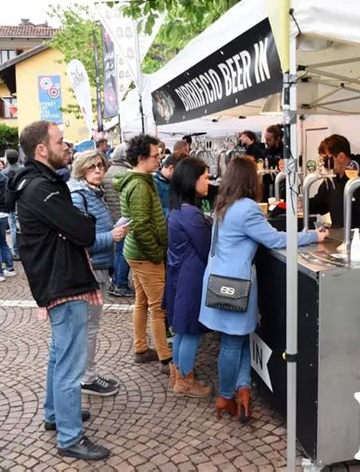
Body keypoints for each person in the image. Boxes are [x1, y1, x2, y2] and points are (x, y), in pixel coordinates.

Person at [6, 120, 110, 461]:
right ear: (41, 149)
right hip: (62, 282)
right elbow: (84, 231)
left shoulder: (40, 183)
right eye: (61, 141)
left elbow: (76, 229)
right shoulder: (40, 188)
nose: (68, 147)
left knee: (58, 356)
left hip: (59, 279)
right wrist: (82, 225)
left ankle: (56, 416)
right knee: (69, 364)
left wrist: (77, 226)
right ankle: (70, 437)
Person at [199, 156, 328, 422]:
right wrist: (314, 236)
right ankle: (225, 396)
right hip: (236, 285)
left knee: (240, 337)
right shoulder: (247, 208)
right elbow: (275, 238)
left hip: (219, 280)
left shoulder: (224, 203)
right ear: (250, 179)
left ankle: (242, 389)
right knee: (233, 343)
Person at [68, 150, 128, 397]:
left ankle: (87, 374)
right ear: (81, 168)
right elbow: (80, 238)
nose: (98, 171)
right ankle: (86, 378)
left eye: (101, 166)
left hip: (99, 265)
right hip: (90, 268)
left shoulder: (93, 193)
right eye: (92, 166)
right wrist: (111, 237)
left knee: (89, 326)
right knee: (87, 327)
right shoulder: (79, 195)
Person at [114, 134, 172, 373]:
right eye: (155, 156)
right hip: (144, 254)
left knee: (142, 302)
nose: (159, 159)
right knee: (159, 307)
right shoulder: (139, 185)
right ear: (141, 158)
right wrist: (157, 252)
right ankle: (166, 359)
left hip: (136, 252)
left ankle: (141, 348)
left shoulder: (141, 180)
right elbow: (140, 225)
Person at [164, 158, 212, 397]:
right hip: (191, 277)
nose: (208, 182)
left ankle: (178, 375)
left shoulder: (177, 209)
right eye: (204, 177)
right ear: (192, 181)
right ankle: (184, 380)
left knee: (182, 330)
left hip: (180, 275)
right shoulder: (192, 213)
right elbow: (207, 248)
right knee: (190, 330)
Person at [309, 134, 360, 234]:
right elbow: (319, 204)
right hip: (339, 238)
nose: (324, 164)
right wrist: (299, 203)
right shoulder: (331, 180)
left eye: (327, 159)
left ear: (341, 157)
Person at [103, 144, 134, 297]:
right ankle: (119, 283)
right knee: (123, 252)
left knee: (118, 252)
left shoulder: (107, 172)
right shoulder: (127, 174)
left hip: (112, 217)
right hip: (125, 218)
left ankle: (116, 281)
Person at [2, 149, 24, 260]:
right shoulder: (23, 170)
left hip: (11, 201)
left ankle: (16, 251)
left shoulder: (4, 172)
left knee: (14, 227)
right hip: (22, 200)